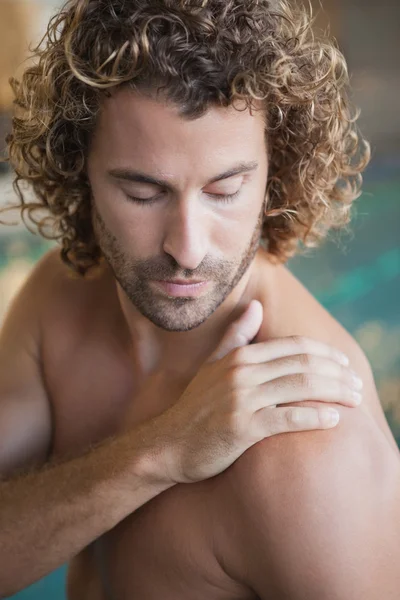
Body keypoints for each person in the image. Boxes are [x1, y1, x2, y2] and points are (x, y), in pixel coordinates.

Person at [1, 0, 399, 598]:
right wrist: (160, 452)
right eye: (142, 191)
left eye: (225, 189)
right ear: (78, 167)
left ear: (275, 173)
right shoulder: (59, 301)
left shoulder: (314, 454)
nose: (186, 248)